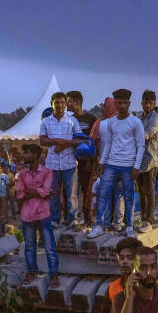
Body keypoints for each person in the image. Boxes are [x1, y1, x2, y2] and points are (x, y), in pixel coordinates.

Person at [88, 89, 145, 239]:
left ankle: (129, 227)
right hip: (111, 163)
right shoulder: (111, 123)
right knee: (103, 194)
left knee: (128, 197)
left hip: (128, 165)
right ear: (115, 103)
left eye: (125, 103)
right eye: (119, 103)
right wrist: (102, 162)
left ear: (129, 103)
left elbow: (141, 146)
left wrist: (136, 167)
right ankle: (99, 225)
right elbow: (108, 144)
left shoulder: (135, 122)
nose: (122, 106)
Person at [17, 144, 59, 287]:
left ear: (35, 155)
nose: (25, 156)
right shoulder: (22, 174)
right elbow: (20, 194)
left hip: (43, 214)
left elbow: (46, 191)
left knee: (49, 246)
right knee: (29, 246)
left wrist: (32, 192)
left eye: (27, 153)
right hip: (27, 215)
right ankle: (31, 271)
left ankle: (54, 274)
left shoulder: (48, 172)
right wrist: (40, 192)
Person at [39, 92, 82, 229]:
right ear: (52, 103)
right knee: (53, 194)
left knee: (71, 194)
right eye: (56, 102)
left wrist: (66, 144)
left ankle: (73, 219)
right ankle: (55, 220)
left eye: (62, 102)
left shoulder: (72, 121)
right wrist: (57, 140)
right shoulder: (46, 121)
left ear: (65, 104)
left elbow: (79, 139)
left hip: (70, 162)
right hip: (52, 164)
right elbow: (42, 140)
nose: (59, 105)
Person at [67, 90, 98, 227]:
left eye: (69, 101)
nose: (67, 104)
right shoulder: (69, 119)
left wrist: (91, 161)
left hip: (86, 160)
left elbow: (94, 141)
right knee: (71, 190)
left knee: (87, 190)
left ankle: (88, 217)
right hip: (71, 159)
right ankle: (72, 218)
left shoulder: (91, 119)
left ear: (77, 102)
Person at [135, 90, 158, 233]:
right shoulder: (139, 117)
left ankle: (149, 220)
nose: (147, 105)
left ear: (154, 104)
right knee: (140, 191)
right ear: (141, 102)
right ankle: (143, 218)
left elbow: (143, 136)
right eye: (145, 102)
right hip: (138, 161)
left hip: (150, 161)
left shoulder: (156, 118)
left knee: (149, 191)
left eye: (150, 103)